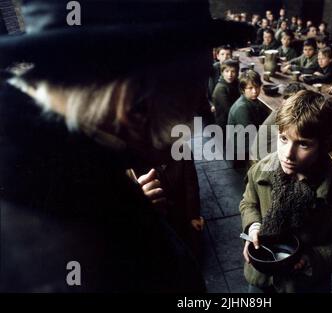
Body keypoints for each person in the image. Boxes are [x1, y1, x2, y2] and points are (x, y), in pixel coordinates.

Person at [0, 0, 253, 292]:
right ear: (136, 106)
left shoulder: (68, 174)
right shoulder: (61, 263)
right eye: (194, 93)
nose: (195, 116)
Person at [240, 90, 332, 293]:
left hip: (303, 284)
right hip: (261, 275)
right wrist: (253, 227)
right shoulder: (261, 170)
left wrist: (312, 259)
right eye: (283, 139)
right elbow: (248, 202)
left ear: (324, 146)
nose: (288, 154)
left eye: (303, 144)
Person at [227, 70, 269, 168]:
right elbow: (253, 133)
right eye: (250, 88)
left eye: (257, 87)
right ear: (243, 90)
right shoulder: (241, 108)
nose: (255, 91)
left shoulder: (252, 101)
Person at [212, 59, 240, 134]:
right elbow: (230, 111)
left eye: (233, 71)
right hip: (224, 125)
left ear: (237, 73)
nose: (230, 75)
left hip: (233, 119)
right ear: (222, 73)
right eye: (227, 71)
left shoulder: (235, 82)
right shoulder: (221, 89)